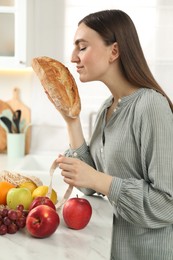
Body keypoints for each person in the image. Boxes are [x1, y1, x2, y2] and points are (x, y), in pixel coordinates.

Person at [57, 9, 173, 260]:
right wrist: (72, 122)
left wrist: (100, 181)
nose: (73, 57)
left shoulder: (151, 106)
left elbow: (167, 204)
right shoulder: (108, 107)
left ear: (114, 51)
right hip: (115, 249)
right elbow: (90, 185)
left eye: (83, 47)